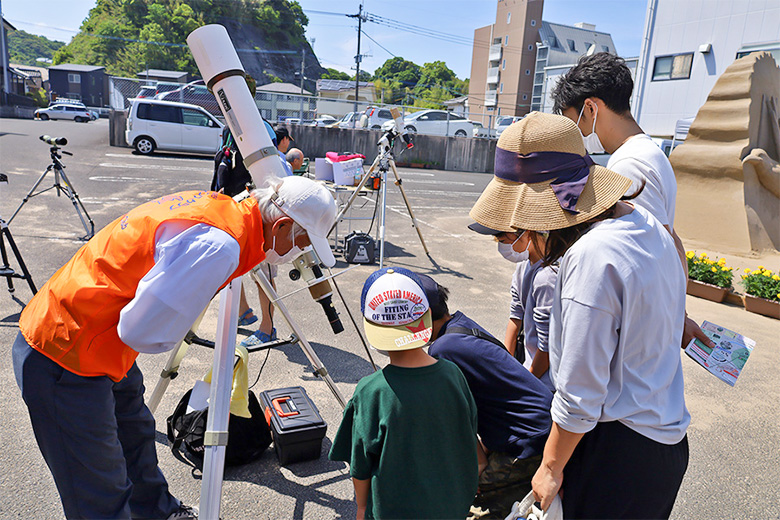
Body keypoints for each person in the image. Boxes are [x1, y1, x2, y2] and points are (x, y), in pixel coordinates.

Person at [13, 176, 337, 520]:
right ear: (283, 225)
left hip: (100, 339)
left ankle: (159, 513)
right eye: (303, 241)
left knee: (135, 441)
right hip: (65, 351)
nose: (301, 252)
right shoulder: (220, 246)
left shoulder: (228, 212)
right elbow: (142, 332)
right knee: (97, 491)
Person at [470, 112, 690, 519]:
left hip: (617, 450)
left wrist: (550, 468)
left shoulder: (591, 258)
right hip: (666, 440)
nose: (526, 244)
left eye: (521, 226)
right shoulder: (641, 222)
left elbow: (580, 392)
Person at [551, 51, 714, 350]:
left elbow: (650, 253)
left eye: (573, 123)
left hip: (639, 339)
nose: (576, 134)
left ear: (590, 108)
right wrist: (678, 313)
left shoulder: (628, 166)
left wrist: (675, 317)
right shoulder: (649, 151)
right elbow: (671, 239)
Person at [329, 267, 478, 520]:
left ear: (370, 324)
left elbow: (360, 465)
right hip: (452, 508)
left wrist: (362, 508)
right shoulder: (453, 374)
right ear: (427, 317)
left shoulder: (371, 390)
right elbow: (468, 433)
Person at [420, 273, 552, 519]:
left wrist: (479, 465)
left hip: (527, 439)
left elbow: (459, 417)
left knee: (474, 505)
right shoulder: (459, 325)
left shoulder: (442, 349)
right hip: (537, 423)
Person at [212, 118, 292, 346]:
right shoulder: (237, 128)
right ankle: (244, 311)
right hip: (239, 213)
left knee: (263, 276)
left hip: (259, 218)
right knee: (235, 268)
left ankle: (267, 328)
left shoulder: (253, 129)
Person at [467, 224, 557, 392]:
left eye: (504, 240)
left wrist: (525, 382)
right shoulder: (523, 265)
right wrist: (507, 365)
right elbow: (516, 315)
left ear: (527, 234)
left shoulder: (548, 278)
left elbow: (548, 346)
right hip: (528, 369)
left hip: (546, 382)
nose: (503, 247)